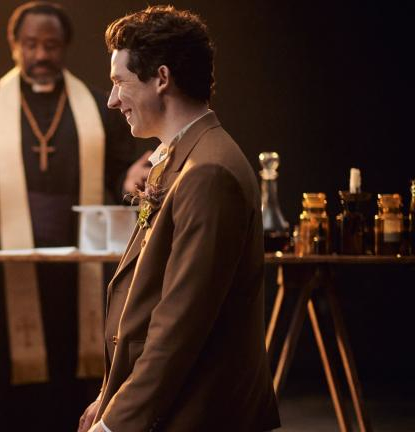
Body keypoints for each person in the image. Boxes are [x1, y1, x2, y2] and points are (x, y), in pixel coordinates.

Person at [0, 2, 148, 431]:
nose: (41, 55)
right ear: (14, 45)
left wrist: (132, 178)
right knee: (1, 373)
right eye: (30, 45)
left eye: (50, 45)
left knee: (71, 369)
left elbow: (122, 170)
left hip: (76, 260)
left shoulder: (98, 103)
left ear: (64, 46)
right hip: (4, 260)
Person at [79, 5, 281, 432]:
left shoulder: (209, 173)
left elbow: (180, 323)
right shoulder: (183, 158)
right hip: (171, 402)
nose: (113, 100)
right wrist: (111, 394)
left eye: (119, 82)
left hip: (200, 412)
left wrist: (116, 423)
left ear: (162, 78)